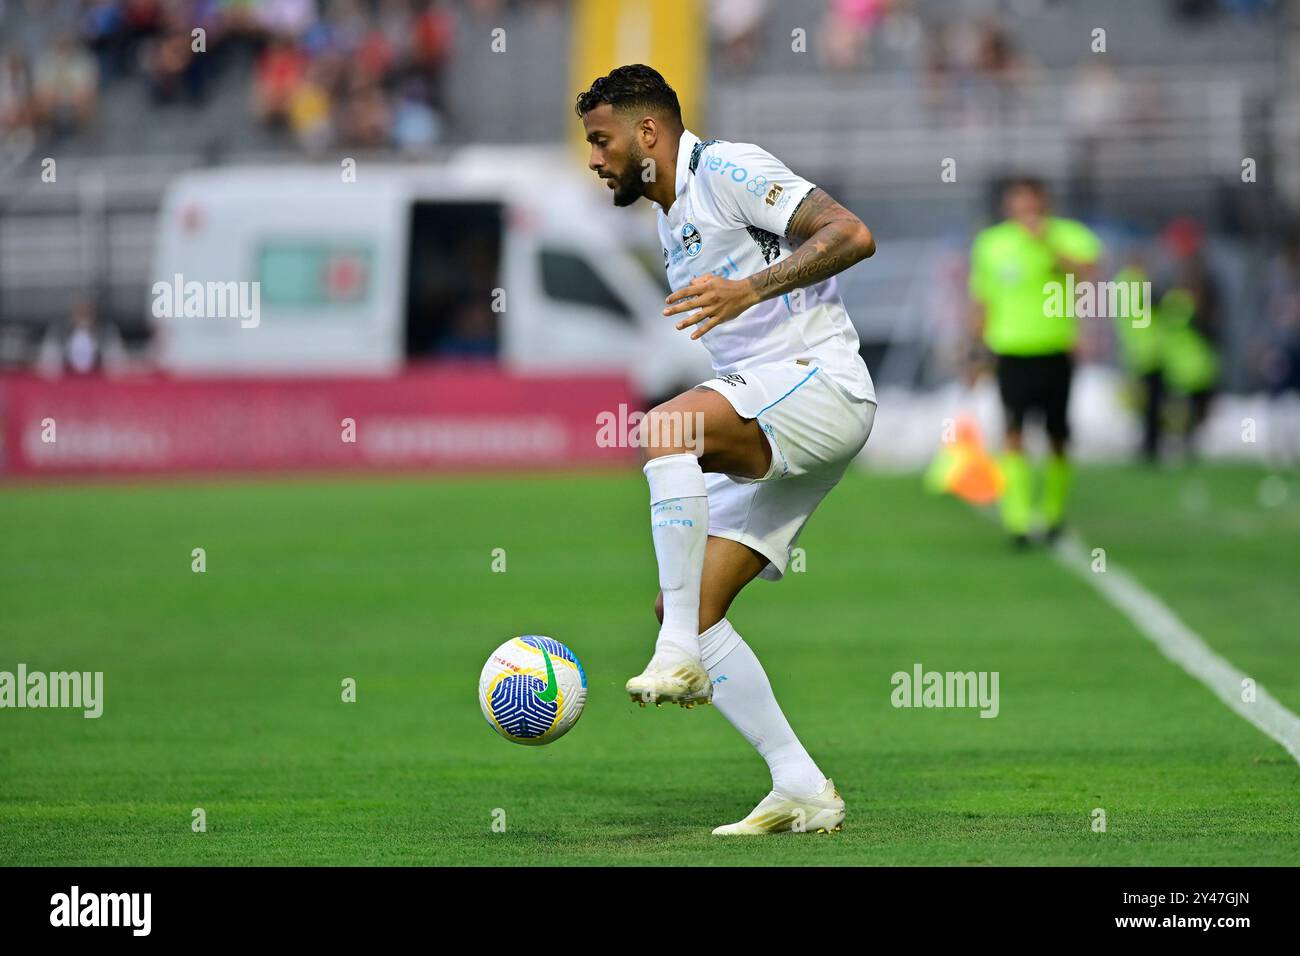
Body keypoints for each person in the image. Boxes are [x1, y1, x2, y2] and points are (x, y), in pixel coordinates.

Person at [576, 65, 878, 835]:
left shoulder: (728, 169)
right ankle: (801, 786)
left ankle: (676, 650)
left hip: (822, 384)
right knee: (687, 598)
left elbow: (851, 233)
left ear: (649, 134)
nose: (595, 158)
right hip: (780, 403)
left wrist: (751, 288)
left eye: (602, 139)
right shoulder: (667, 218)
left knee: (665, 428)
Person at [968, 177, 1101, 545]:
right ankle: (1019, 519)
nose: (1025, 211)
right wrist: (975, 350)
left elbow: (1088, 274)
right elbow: (982, 298)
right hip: (1011, 350)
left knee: (1058, 435)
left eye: (1031, 203)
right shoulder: (992, 244)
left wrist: (1045, 242)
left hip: (1056, 348)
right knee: (1013, 432)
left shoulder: (1069, 236)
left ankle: (1053, 513)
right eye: (1018, 204)